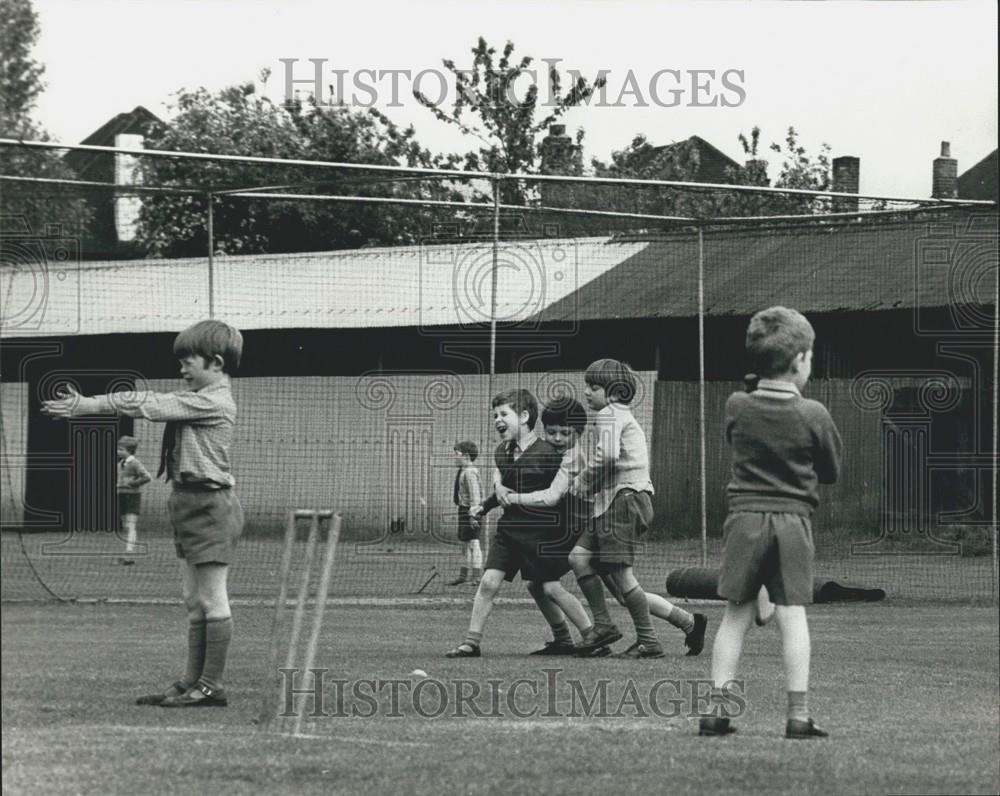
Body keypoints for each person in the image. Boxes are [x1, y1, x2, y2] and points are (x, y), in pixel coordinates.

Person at [43, 319, 245, 708]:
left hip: (210, 504)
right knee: (192, 598)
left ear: (216, 363)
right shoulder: (198, 396)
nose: (181, 369)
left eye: (189, 361)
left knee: (212, 598)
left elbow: (151, 403)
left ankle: (211, 685)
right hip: (187, 500)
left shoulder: (212, 400)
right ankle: (192, 680)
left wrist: (90, 405)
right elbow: (157, 401)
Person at [700, 307, 842, 739]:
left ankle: (716, 711)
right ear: (800, 359)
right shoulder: (813, 413)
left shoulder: (737, 405)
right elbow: (831, 469)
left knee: (734, 616)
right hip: (793, 521)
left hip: (744, 519)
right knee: (792, 616)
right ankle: (797, 716)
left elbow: (738, 428)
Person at [569, 359, 707, 659]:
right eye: (587, 387)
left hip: (625, 502)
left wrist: (582, 481)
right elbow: (613, 462)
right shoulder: (615, 415)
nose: (588, 393)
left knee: (622, 579)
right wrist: (590, 487)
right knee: (579, 557)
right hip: (614, 502)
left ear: (615, 393)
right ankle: (681, 622)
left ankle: (648, 641)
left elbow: (606, 457)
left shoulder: (609, 413)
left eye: (594, 387)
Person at [447, 388, 591, 657]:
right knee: (489, 582)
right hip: (509, 531)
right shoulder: (501, 451)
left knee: (546, 587)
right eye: (495, 415)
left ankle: (589, 636)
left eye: (504, 414)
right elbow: (503, 486)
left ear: (524, 416)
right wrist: (485, 504)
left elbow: (556, 494)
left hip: (541, 533)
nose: (497, 419)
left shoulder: (550, 452)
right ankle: (471, 642)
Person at [503, 397, 604, 656]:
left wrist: (511, 497)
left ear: (579, 433)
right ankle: (564, 639)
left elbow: (550, 497)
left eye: (565, 433)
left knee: (548, 585)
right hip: (560, 528)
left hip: (576, 528)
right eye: (551, 432)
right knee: (536, 584)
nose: (557, 438)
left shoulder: (572, 458)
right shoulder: (553, 453)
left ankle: (592, 638)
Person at [446, 440, 483, 586]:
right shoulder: (463, 471)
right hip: (463, 510)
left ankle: (476, 577)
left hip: (471, 511)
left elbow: (475, 495)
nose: (455, 457)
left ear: (466, 456)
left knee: (474, 543)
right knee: (465, 544)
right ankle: (463, 575)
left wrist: (474, 515)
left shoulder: (470, 473)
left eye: (457, 454)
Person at [116, 435, 151, 565]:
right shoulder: (121, 463)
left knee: (131, 525)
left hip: (132, 496)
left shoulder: (135, 463)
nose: (117, 451)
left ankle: (129, 554)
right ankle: (128, 550)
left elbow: (147, 477)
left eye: (120, 449)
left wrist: (133, 483)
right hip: (122, 495)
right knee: (126, 525)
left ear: (129, 450)